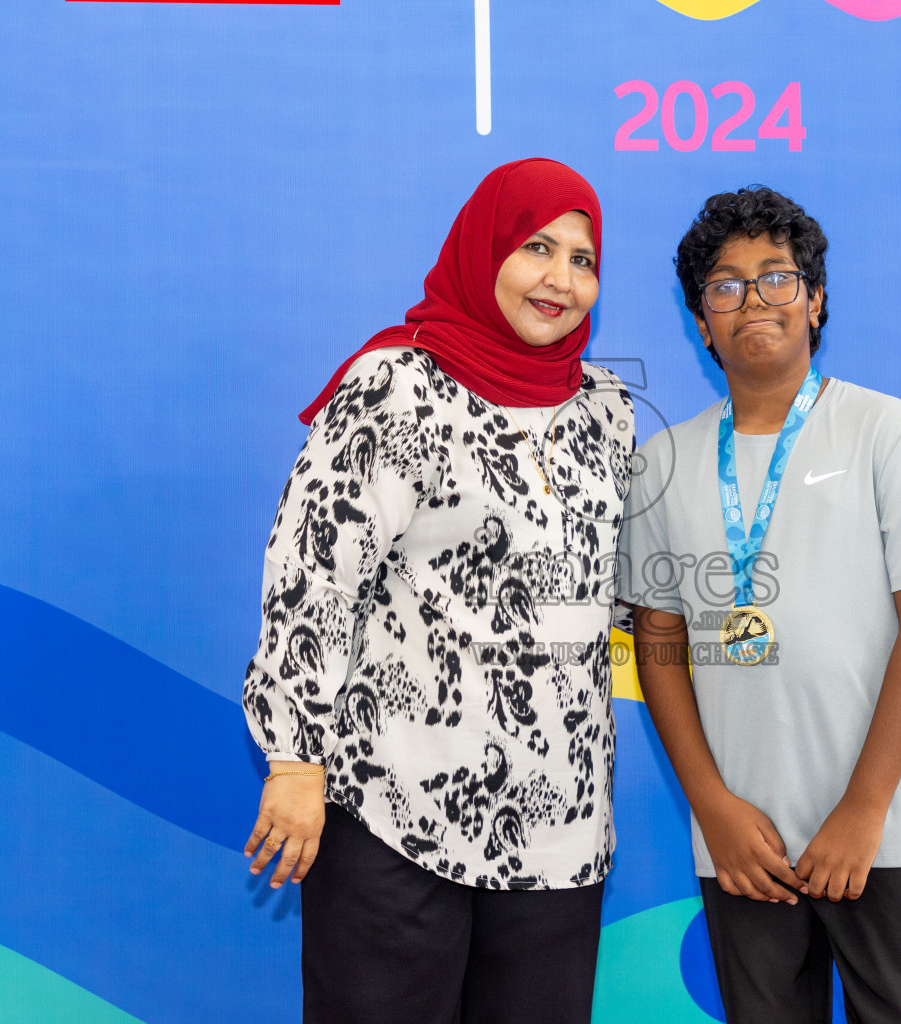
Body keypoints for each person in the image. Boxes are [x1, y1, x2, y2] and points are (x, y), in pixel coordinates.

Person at [241, 158, 634, 1024]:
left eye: (582, 259)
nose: (560, 279)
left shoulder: (605, 409)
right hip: (393, 807)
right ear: (483, 248)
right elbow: (313, 576)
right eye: (537, 247)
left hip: (558, 831)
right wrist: (296, 758)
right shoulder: (396, 387)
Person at [619, 187, 901, 1024]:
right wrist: (712, 807)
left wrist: (865, 808)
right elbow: (658, 642)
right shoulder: (661, 463)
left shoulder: (885, 430)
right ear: (701, 322)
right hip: (744, 843)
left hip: (877, 831)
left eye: (776, 278)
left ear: (814, 301)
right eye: (724, 287)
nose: (752, 301)